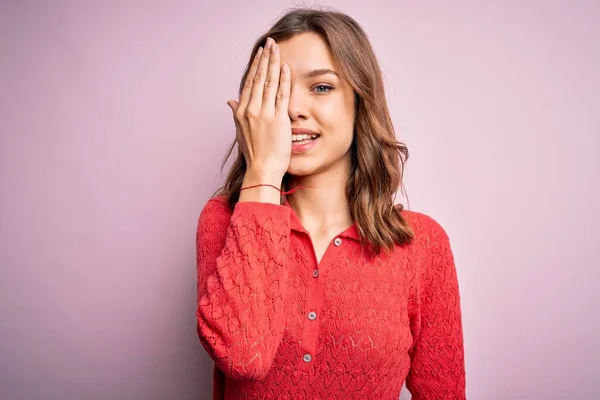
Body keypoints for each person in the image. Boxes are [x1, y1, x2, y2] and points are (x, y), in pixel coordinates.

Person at [195, 7, 466, 400]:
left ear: (360, 100)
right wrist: (262, 174)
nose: (292, 110)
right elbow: (244, 356)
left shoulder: (422, 244)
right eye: (276, 92)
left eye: (321, 87)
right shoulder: (222, 220)